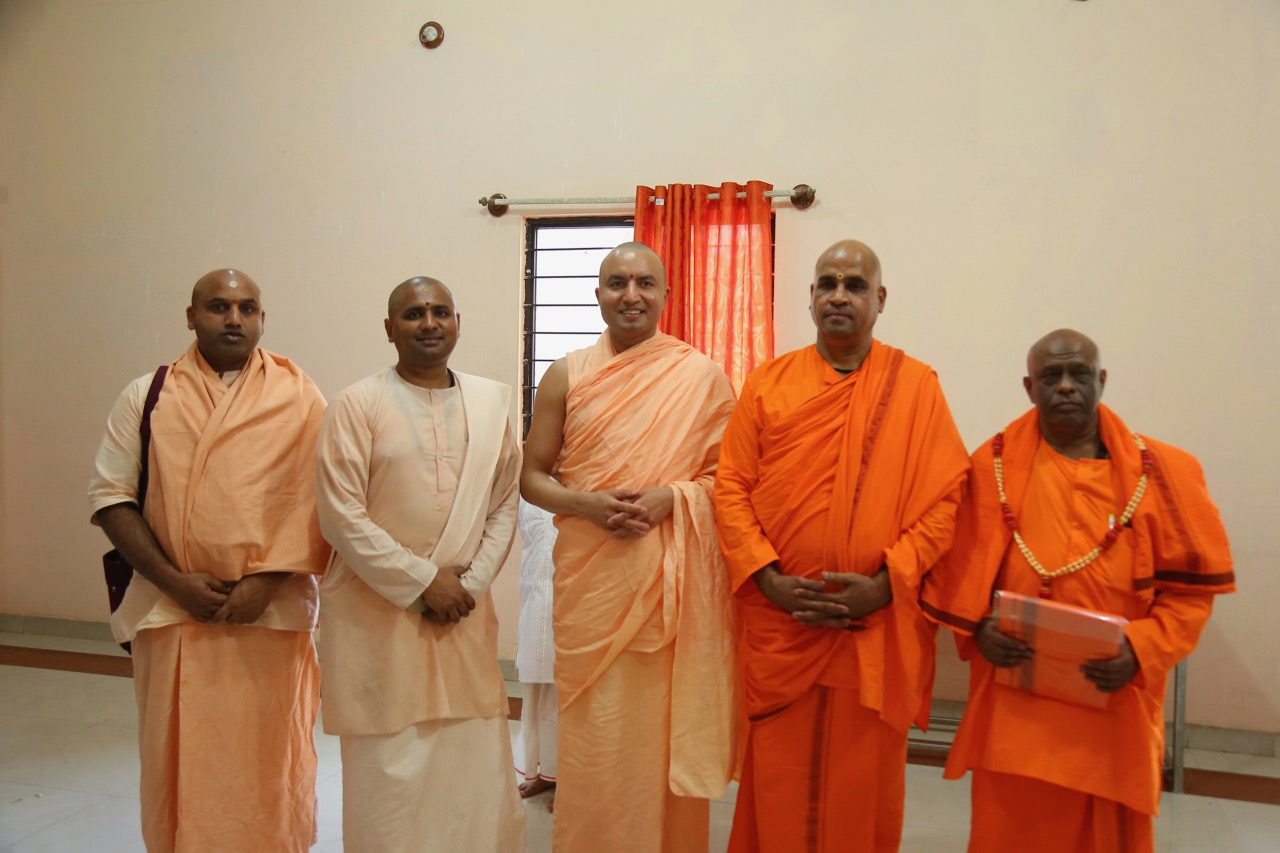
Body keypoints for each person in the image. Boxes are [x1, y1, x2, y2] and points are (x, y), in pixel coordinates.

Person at [922, 329, 1236, 852]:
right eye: (1051, 376)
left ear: (1101, 380)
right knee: (1011, 834)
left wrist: (1141, 649)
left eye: (1079, 374)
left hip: (1112, 700)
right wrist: (979, 631)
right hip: (1017, 708)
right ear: (1030, 387)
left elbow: (1189, 597)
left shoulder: (1164, 472)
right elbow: (960, 571)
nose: (1066, 386)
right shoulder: (990, 467)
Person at [714, 239, 970, 852]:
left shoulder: (916, 387)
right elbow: (730, 489)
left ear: (879, 300)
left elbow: (946, 502)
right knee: (777, 781)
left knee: (862, 785)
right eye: (827, 283)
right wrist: (768, 578)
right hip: (783, 625)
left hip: (871, 632)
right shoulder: (768, 384)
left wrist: (885, 584)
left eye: (854, 286)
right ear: (810, 298)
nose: (839, 296)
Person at [88, 268, 329, 853]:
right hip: (172, 610)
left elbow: (320, 499)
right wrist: (174, 582)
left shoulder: (301, 396)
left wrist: (267, 580)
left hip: (271, 612)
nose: (233, 318)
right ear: (191, 316)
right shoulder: (147, 394)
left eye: (246, 308)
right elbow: (111, 497)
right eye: (218, 306)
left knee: (269, 754)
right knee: (177, 753)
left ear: (262, 319)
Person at [521, 242, 738, 852]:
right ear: (598, 295)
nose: (631, 295)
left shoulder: (702, 377)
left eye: (645, 283)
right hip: (592, 590)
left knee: (657, 742)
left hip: (668, 597)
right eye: (617, 282)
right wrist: (587, 504)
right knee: (595, 740)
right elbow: (531, 476)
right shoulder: (566, 374)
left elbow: (732, 482)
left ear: (667, 295)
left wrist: (675, 497)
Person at [315, 276, 525, 852]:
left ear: (458, 323)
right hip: (378, 617)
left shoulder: (489, 405)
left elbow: (504, 501)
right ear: (390, 329)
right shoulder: (355, 404)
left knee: (469, 762)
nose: (428, 323)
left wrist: (469, 584)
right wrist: (423, 582)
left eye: (440, 312)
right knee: (390, 770)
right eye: (413, 314)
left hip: (462, 614)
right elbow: (340, 515)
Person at [514, 498, 559, 805]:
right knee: (537, 683)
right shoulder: (525, 483)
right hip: (535, 591)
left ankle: (572, 778)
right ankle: (544, 772)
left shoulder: (588, 476)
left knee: (567, 690)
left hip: (577, 595)